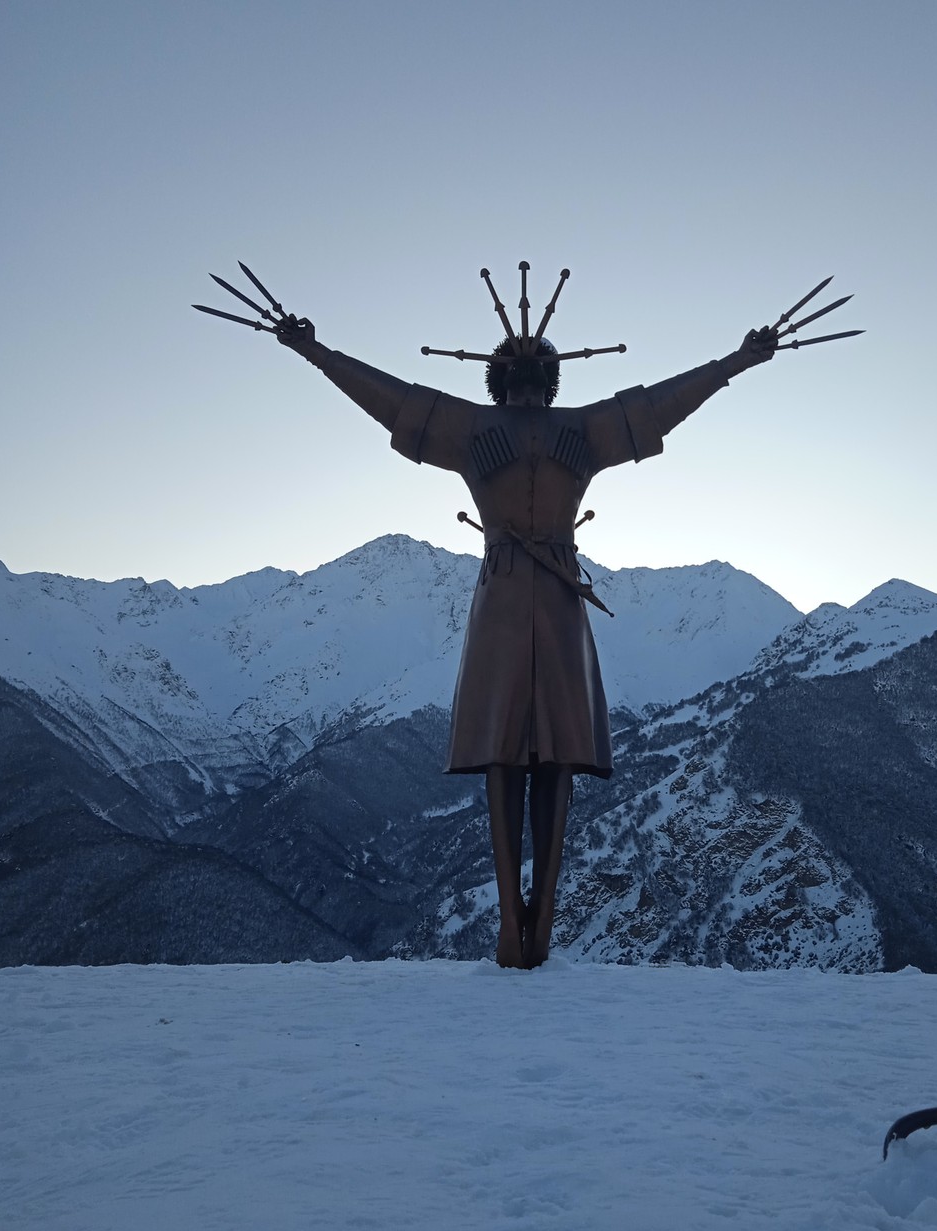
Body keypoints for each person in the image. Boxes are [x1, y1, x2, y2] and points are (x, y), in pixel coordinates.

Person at [274, 300, 777, 968]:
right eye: (522, 361)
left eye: (533, 360)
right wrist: (316, 353)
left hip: (523, 594)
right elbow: (397, 403)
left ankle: (530, 920)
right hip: (530, 595)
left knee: (539, 755)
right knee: (515, 755)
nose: (527, 368)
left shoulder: (507, 431)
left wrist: (736, 361)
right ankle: (521, 920)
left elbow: (656, 406)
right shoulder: (546, 431)